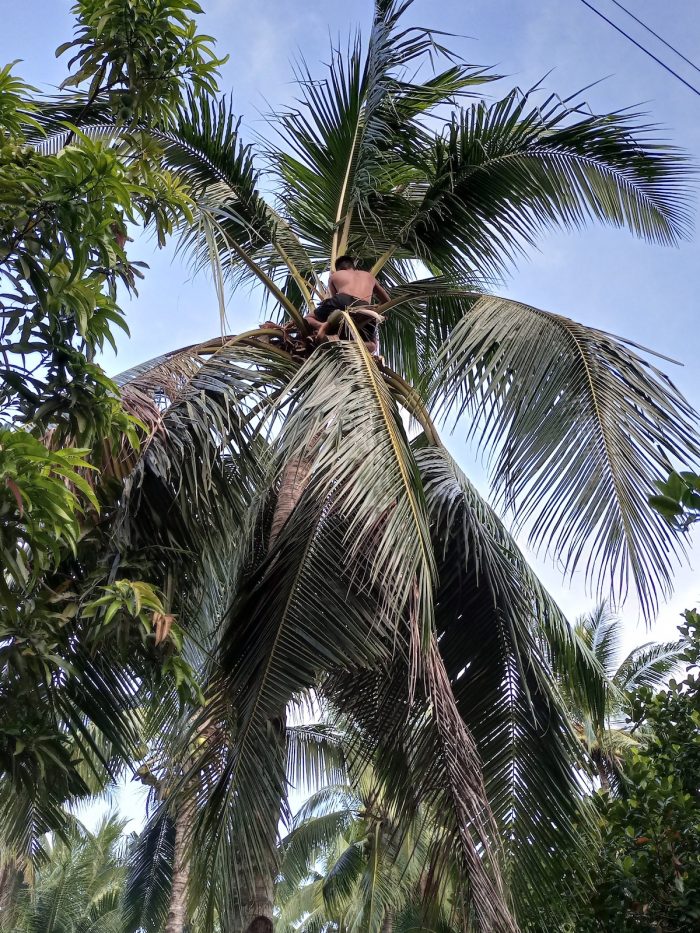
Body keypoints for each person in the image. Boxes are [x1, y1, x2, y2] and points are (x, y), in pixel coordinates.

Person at [306, 255, 390, 354]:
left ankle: (321, 326)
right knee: (372, 346)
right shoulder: (369, 276)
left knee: (308, 317)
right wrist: (375, 308)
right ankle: (344, 343)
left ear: (339, 268)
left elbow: (334, 298)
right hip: (364, 308)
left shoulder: (335, 276)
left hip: (341, 299)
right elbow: (387, 300)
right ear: (352, 266)